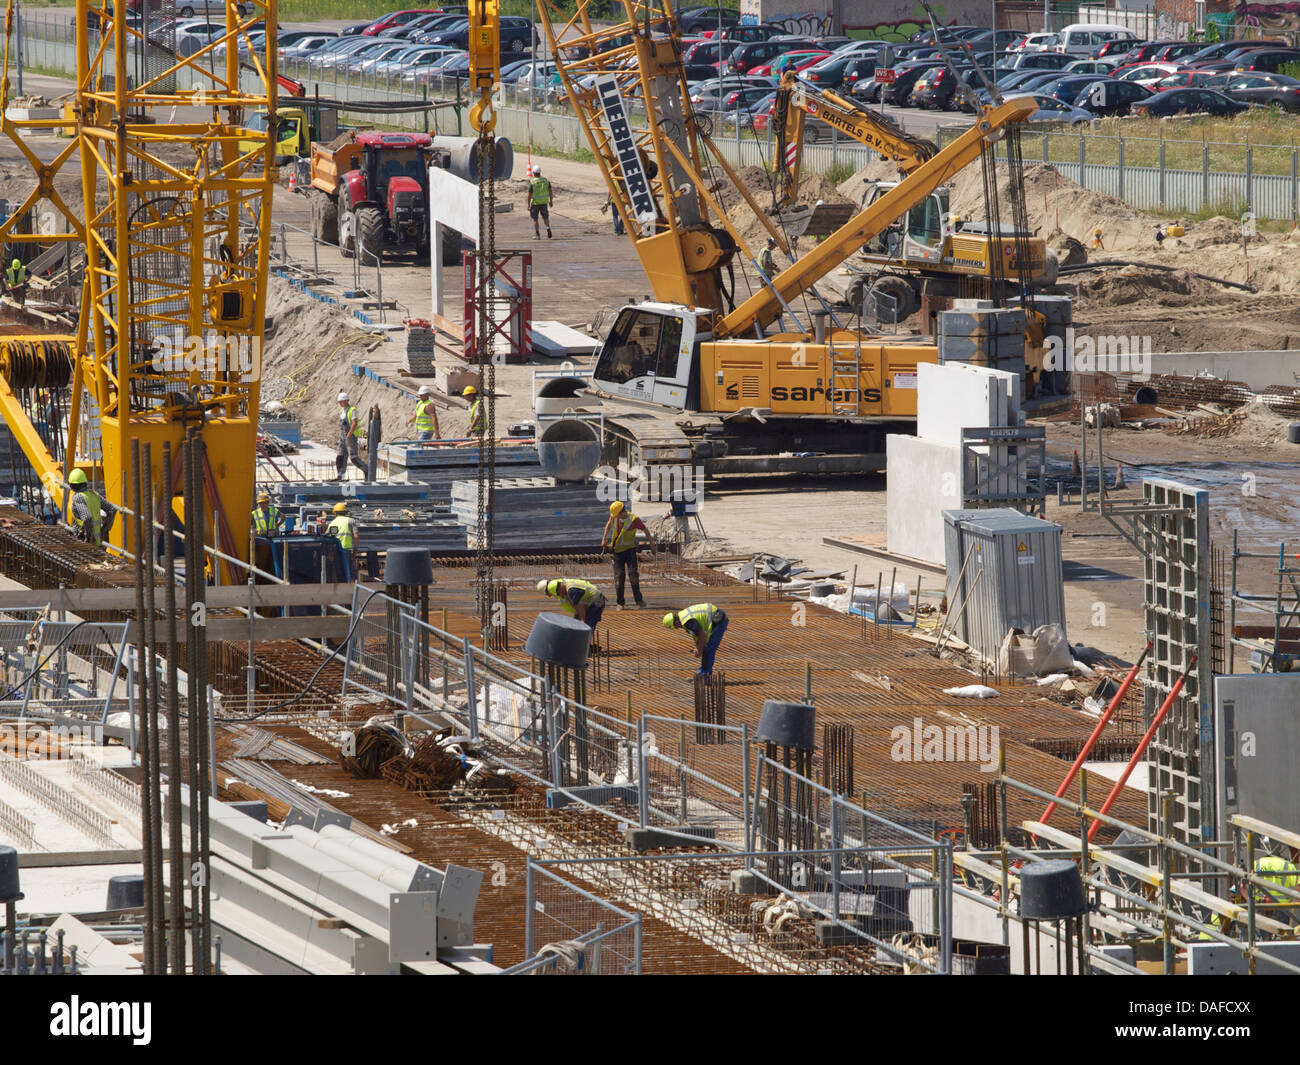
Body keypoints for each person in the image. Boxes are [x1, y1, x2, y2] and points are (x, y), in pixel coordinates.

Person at [602, 500, 657, 609]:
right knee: (619, 577)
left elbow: (645, 530)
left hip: (630, 551)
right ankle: (620, 603)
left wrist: (652, 545)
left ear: (622, 512)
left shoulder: (633, 519)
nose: (614, 517)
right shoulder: (614, 516)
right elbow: (608, 525)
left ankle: (639, 600)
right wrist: (604, 538)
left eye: (616, 515)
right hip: (617, 552)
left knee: (633, 576)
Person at [663, 602, 728, 677]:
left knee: (708, 648)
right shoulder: (683, 616)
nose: (677, 628)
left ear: (676, 622)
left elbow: (702, 635)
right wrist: (698, 647)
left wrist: (700, 650)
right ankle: (703, 674)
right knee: (705, 647)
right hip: (715, 616)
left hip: (718, 619)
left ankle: (705, 675)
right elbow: (697, 634)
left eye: (675, 626)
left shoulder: (687, 621)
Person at [537, 577, 606, 633]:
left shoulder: (572, 590)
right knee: (577, 624)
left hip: (597, 602)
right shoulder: (559, 584)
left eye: (558, 593)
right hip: (588, 603)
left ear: (559, 590)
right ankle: (583, 645)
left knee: (587, 624)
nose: (560, 595)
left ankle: (585, 646)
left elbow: (579, 605)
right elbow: (575, 604)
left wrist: (582, 621)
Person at [67, 468, 104, 546]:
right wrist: (105, 529)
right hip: (98, 541)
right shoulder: (94, 495)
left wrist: (88, 537)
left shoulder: (78, 497)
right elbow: (111, 509)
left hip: (85, 543)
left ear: (71, 485)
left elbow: (87, 518)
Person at [335, 391, 367, 480]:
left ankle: (367, 470)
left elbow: (354, 423)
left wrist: (349, 435)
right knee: (340, 457)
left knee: (353, 458)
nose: (340, 403)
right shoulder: (342, 410)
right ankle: (341, 476)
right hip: (342, 437)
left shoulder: (352, 410)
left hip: (350, 436)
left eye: (341, 402)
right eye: (339, 402)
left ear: (346, 401)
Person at [326, 501, 355, 577]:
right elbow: (356, 536)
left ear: (335, 513)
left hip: (337, 551)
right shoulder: (350, 521)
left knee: (339, 573)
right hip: (348, 550)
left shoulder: (333, 523)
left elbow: (331, 537)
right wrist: (355, 549)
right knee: (349, 572)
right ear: (345, 512)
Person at [527, 164, 553, 239]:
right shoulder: (545, 181)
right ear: (540, 172)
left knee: (535, 219)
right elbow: (550, 191)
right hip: (544, 203)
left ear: (533, 173)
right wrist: (551, 201)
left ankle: (537, 234)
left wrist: (528, 204)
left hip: (535, 203)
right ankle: (548, 228)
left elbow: (529, 194)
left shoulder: (532, 182)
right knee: (545, 217)